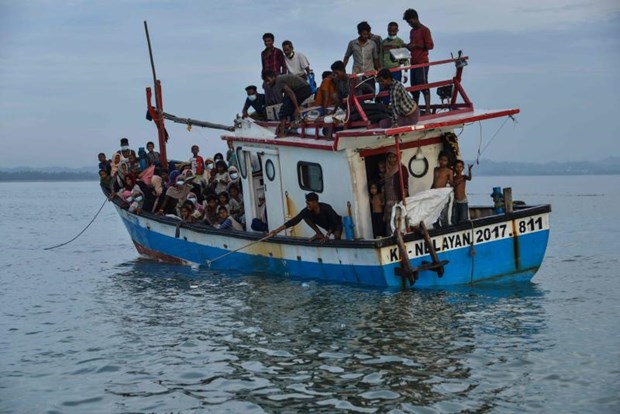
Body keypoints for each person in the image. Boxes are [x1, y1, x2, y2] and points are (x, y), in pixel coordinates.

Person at [269, 192, 342, 242]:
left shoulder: (326, 208)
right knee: (305, 217)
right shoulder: (307, 210)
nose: (307, 205)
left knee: (336, 235)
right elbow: (294, 221)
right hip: (326, 225)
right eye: (306, 203)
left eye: (308, 203)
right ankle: (319, 234)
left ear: (315, 202)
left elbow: (334, 222)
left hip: (336, 224)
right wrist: (276, 231)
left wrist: (327, 235)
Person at [262, 70, 312, 138]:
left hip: (303, 90)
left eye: (268, 80)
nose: (267, 83)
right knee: (286, 107)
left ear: (273, 77)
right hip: (303, 89)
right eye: (266, 81)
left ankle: (282, 133)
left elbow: (291, 93)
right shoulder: (279, 79)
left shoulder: (278, 81)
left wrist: (297, 107)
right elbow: (287, 95)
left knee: (283, 112)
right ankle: (291, 126)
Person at [403, 8, 434, 114]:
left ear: (415, 18)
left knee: (423, 83)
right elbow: (413, 46)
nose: (410, 24)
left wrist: (416, 45)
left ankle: (428, 109)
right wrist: (408, 46)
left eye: (410, 22)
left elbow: (430, 45)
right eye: (408, 22)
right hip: (414, 62)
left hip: (422, 62)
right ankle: (416, 110)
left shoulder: (425, 30)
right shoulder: (412, 31)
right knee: (414, 86)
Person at [383, 149, 409, 235]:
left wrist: (404, 201)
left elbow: (405, 186)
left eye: (393, 157)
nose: (391, 159)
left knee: (398, 222)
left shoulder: (402, 169)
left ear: (397, 157)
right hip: (388, 202)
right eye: (389, 157)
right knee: (390, 223)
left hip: (398, 201)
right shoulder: (386, 171)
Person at [261, 33, 287, 105]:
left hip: (276, 76)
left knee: (278, 96)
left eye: (269, 41)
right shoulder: (263, 53)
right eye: (265, 41)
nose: (267, 43)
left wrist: (282, 77)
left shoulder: (278, 51)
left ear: (273, 41)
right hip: (267, 78)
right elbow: (263, 67)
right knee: (268, 97)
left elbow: (284, 66)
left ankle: (282, 112)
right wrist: (263, 78)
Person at [432, 151, 454, 227]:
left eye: (445, 160)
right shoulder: (436, 169)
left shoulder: (449, 171)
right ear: (439, 159)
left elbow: (451, 183)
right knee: (435, 216)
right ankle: (436, 230)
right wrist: (429, 192)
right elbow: (434, 182)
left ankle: (445, 230)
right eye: (441, 160)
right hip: (435, 194)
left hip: (443, 195)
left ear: (447, 161)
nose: (442, 162)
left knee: (444, 215)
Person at [452, 160, 473, 224]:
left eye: (460, 167)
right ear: (454, 168)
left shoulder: (464, 177)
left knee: (463, 219)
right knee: (455, 219)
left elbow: (469, 178)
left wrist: (469, 170)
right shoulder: (453, 178)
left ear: (463, 168)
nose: (458, 168)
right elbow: (453, 184)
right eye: (457, 167)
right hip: (455, 201)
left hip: (463, 201)